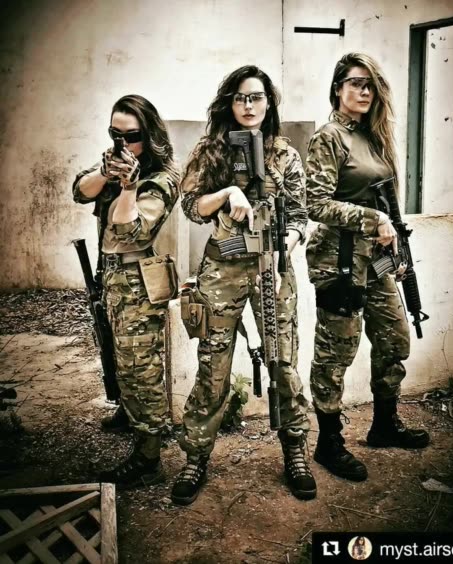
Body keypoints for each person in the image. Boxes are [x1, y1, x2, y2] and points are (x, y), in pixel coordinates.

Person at [171, 65, 316, 505]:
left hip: (272, 268)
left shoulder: (285, 155)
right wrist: (227, 195)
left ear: (268, 103)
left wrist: (287, 242)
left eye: (256, 97)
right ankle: (196, 455)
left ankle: (295, 449)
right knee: (213, 366)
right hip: (223, 270)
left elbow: (300, 214)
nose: (249, 105)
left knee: (283, 362)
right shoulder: (211, 151)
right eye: (240, 97)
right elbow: (191, 207)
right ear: (229, 103)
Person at [305, 53, 429, 482]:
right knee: (336, 351)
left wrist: (396, 250)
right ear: (338, 88)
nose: (364, 91)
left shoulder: (374, 137)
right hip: (338, 260)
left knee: (394, 337)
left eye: (370, 85)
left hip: (375, 259)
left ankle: (384, 424)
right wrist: (371, 219)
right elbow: (316, 204)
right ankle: (328, 441)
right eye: (356, 83)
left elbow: (385, 200)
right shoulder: (329, 137)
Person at [72, 94, 179, 487]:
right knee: (118, 356)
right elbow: (79, 190)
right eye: (114, 134)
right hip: (111, 278)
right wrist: (105, 173)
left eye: (130, 136)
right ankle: (128, 412)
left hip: (140, 284)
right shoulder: (113, 162)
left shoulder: (163, 178)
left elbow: (129, 231)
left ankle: (149, 456)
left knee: (141, 368)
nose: (122, 144)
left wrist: (130, 187)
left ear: (148, 136)